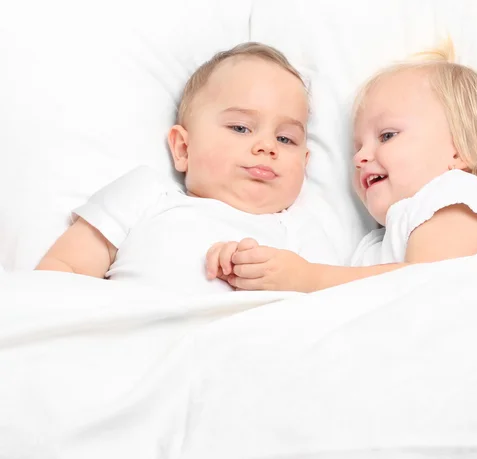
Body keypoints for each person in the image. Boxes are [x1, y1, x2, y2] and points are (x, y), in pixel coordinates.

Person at [35, 42, 337, 294]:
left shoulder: (300, 228)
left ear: (304, 163)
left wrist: (295, 279)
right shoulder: (146, 194)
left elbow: (336, 301)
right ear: (182, 148)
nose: (267, 146)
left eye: (285, 138)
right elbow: (65, 272)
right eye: (241, 128)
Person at [213, 40, 477, 292]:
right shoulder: (374, 244)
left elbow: (428, 285)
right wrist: (250, 265)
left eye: (387, 136)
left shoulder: (455, 193)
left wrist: (307, 278)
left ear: (459, 151)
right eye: (358, 147)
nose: (359, 158)